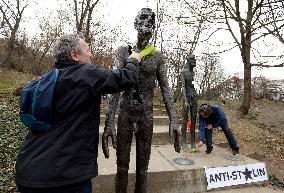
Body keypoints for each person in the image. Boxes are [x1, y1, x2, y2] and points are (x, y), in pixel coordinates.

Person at [15, 33, 149, 193]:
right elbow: (126, 78)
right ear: (74, 55)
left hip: (28, 171)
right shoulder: (85, 74)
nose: (91, 53)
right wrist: (134, 59)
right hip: (64, 179)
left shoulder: (48, 78)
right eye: (88, 49)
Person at [102, 8, 181, 193]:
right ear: (135, 24)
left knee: (143, 170)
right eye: (143, 19)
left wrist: (175, 120)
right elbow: (115, 87)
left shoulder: (158, 57)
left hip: (146, 116)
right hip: (126, 115)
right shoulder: (123, 51)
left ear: (154, 27)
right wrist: (109, 122)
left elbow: (166, 89)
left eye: (151, 20)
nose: (147, 23)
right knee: (121, 168)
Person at [180, 54, 198, 152]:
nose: (195, 61)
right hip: (186, 98)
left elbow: (192, 85)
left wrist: (195, 95)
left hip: (194, 97)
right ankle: (183, 143)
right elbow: (183, 87)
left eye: (195, 60)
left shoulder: (193, 73)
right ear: (188, 61)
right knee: (185, 120)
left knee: (193, 120)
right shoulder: (183, 72)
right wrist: (186, 100)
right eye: (193, 60)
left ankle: (193, 143)